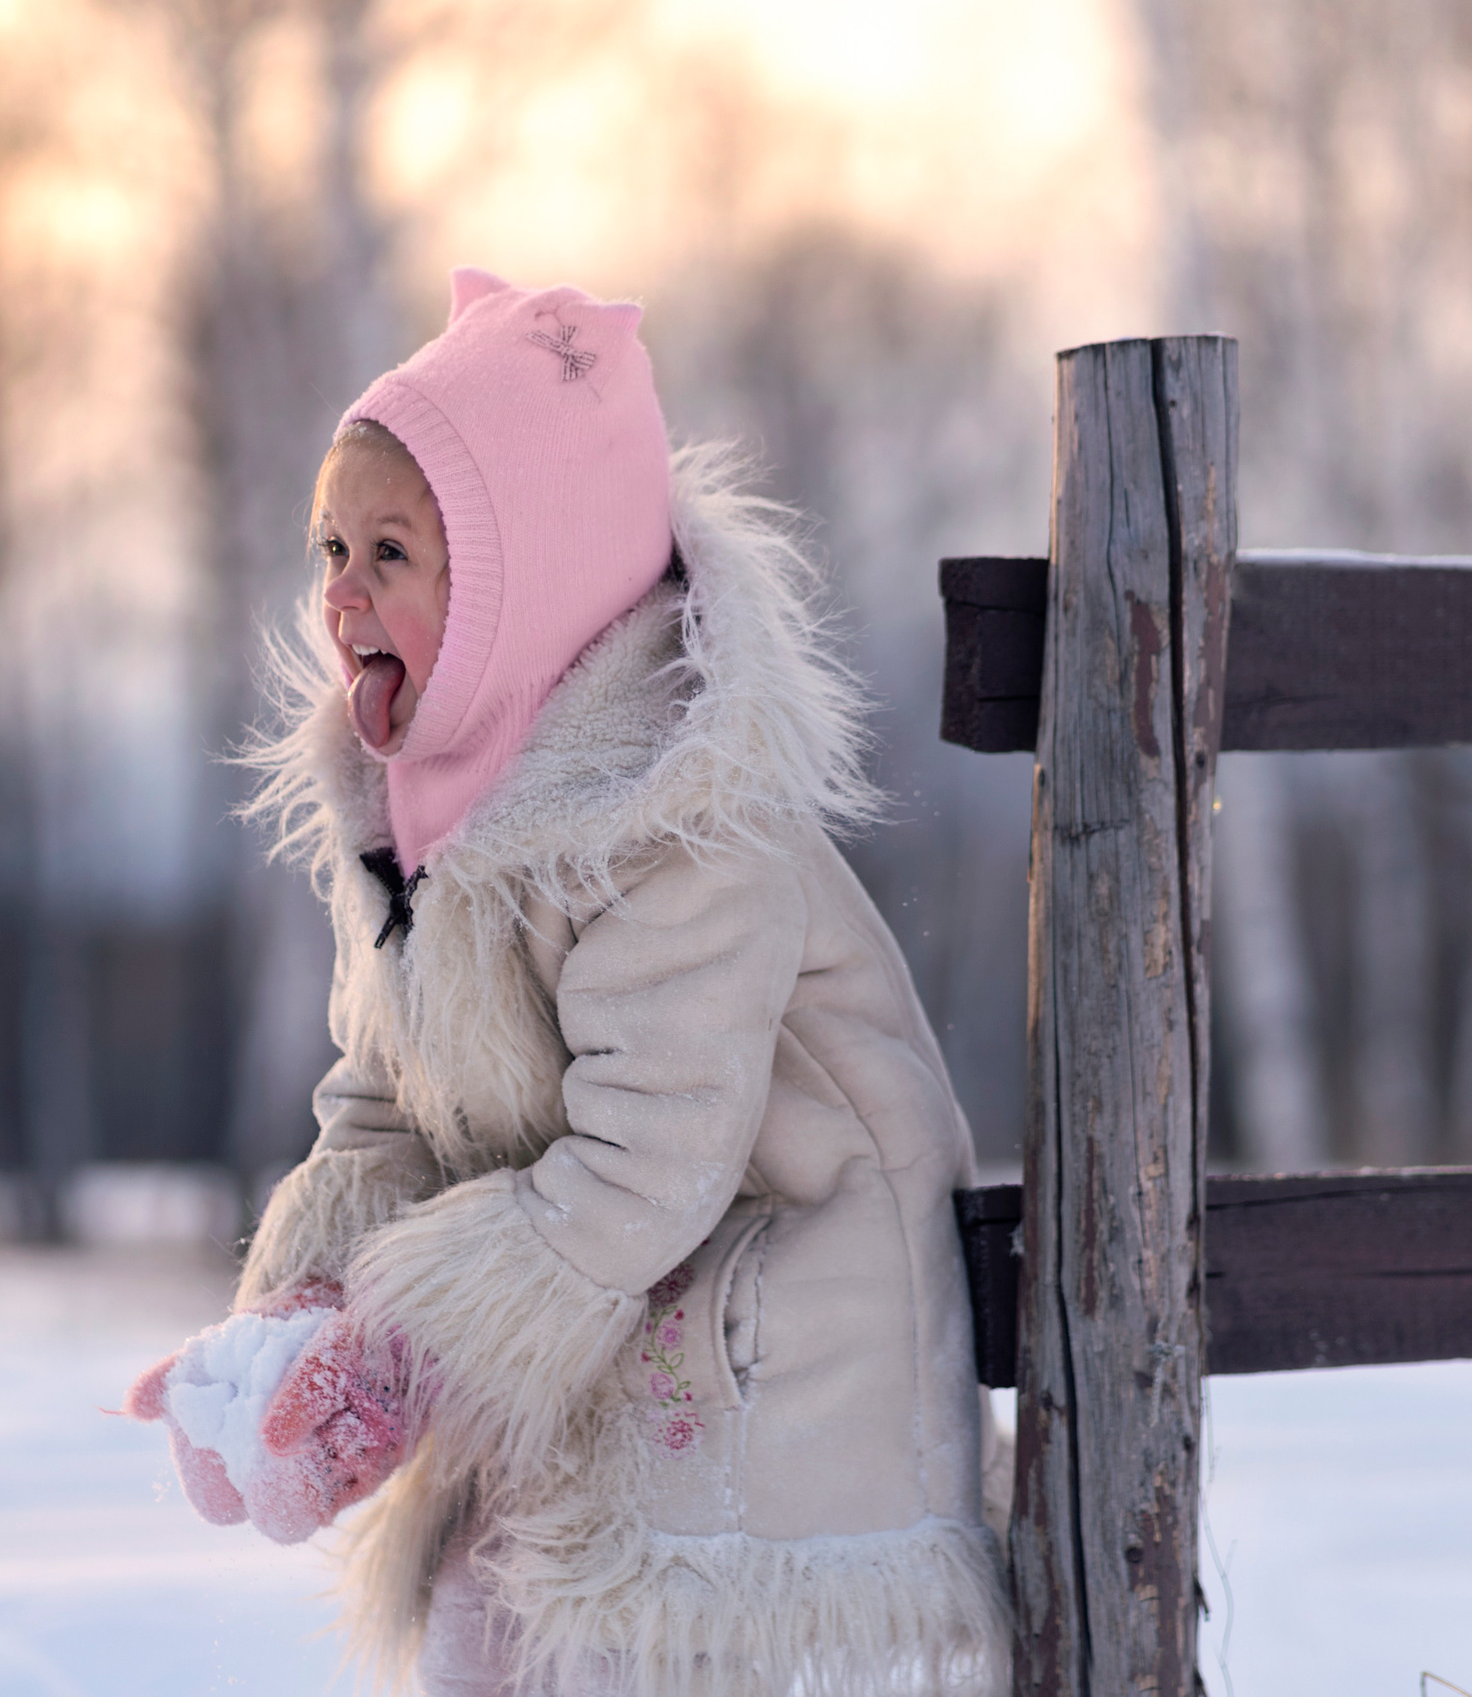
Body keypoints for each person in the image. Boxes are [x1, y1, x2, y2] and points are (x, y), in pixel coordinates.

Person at [127, 267, 1012, 1697]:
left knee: (603, 1653)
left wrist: (402, 1357)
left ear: (518, 579)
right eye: (329, 547)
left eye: (391, 554)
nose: (341, 590)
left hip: (774, 1347)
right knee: (481, 1643)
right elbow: (384, 1099)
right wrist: (299, 1321)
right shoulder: (423, 808)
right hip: (599, 1327)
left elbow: (650, 1157)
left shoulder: (676, 814)